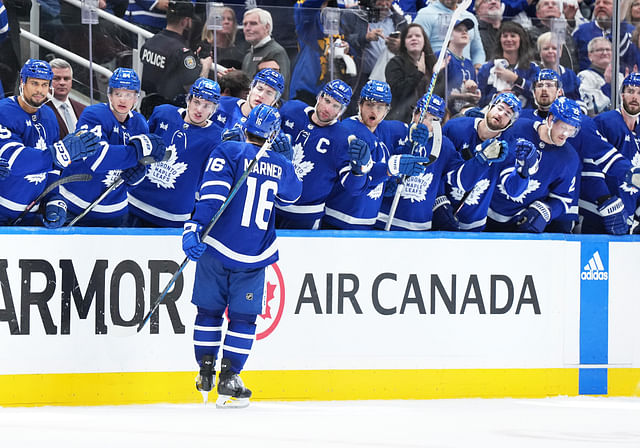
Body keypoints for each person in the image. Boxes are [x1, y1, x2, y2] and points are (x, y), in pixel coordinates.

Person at [183, 104, 302, 408]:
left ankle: (205, 372)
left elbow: (212, 195)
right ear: (274, 135)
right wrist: (286, 162)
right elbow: (293, 195)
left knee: (208, 312)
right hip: (253, 255)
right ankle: (230, 376)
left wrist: (193, 227)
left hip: (216, 247)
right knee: (244, 319)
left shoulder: (228, 151)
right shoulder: (278, 162)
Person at [60, 68, 167, 226]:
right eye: (118, 94)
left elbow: (141, 165)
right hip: (74, 205)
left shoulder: (140, 123)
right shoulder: (93, 115)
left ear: (136, 98)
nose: (123, 100)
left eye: (129, 95)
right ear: (109, 95)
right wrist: (136, 150)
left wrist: (138, 176)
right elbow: (96, 159)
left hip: (115, 211)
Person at [0, 59, 101, 226]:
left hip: (30, 216)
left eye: (45, 85)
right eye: (34, 83)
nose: (40, 90)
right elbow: (13, 160)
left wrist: (53, 198)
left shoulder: (48, 116)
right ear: (22, 82)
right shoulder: (4, 111)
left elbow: (53, 170)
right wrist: (59, 152)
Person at [323, 80, 429, 229]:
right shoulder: (348, 130)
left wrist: (412, 141)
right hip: (337, 220)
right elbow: (359, 176)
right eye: (369, 105)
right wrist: (391, 168)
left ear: (387, 110)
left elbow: (395, 155)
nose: (374, 111)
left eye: (380, 107)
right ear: (360, 105)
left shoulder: (385, 130)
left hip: (368, 223)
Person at [127, 78, 223, 227]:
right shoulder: (162, 113)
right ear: (188, 100)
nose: (199, 110)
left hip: (174, 216)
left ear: (213, 109)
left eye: (206, 106)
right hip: (134, 201)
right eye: (196, 102)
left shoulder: (216, 138)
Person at [276, 79, 369, 229]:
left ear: (341, 111)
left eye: (335, 106)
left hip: (305, 216)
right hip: (271, 203)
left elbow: (354, 188)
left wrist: (359, 170)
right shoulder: (291, 110)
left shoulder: (343, 139)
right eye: (327, 100)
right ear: (319, 97)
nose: (328, 108)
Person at [485, 97, 582, 233]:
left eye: (572, 130)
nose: (566, 134)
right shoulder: (516, 128)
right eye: (563, 127)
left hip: (520, 223)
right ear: (550, 119)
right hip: (484, 214)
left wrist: (546, 211)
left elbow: (563, 198)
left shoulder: (570, 158)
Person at [442, 92, 522, 231]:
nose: (501, 114)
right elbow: (437, 168)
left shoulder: (507, 148)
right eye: (500, 108)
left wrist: (524, 171)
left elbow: (513, 190)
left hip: (474, 223)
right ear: (490, 107)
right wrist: (439, 203)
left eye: (508, 114)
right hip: (440, 212)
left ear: (510, 124)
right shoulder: (455, 127)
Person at [584, 72, 640, 234]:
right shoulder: (605, 122)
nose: (634, 97)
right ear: (622, 94)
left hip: (628, 213)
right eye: (630, 91)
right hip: (599, 210)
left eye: (639, 92)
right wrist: (605, 200)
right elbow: (589, 161)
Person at [140, 1, 211, 116]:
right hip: (171, 113)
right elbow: (193, 90)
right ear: (185, 21)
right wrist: (206, 66)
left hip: (148, 107)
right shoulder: (182, 52)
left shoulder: (150, 42)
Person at [477, 21, 540, 108]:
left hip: (524, 116)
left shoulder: (532, 67)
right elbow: (479, 99)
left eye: (513, 36)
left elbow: (539, 94)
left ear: (521, 39)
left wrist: (517, 80)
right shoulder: (487, 68)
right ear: (500, 40)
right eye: (505, 36)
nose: (509, 39)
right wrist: (497, 96)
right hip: (493, 115)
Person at [385, 23, 437, 122]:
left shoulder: (431, 63)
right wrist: (419, 74)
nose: (414, 38)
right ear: (404, 42)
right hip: (402, 119)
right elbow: (398, 91)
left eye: (418, 36)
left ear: (424, 40)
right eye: (409, 36)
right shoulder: (395, 63)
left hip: (428, 118)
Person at [414, 0, 485, 70]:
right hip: (438, 74)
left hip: (466, 74)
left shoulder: (470, 17)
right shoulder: (425, 14)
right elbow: (417, 48)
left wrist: (477, 70)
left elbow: (477, 50)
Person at [572, 0, 637, 72]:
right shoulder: (581, 31)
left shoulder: (632, 32)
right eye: (597, 3)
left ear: (618, 7)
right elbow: (573, 62)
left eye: (606, 3)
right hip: (588, 80)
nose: (601, 5)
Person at [434, 18, 481, 117]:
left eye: (466, 30)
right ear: (449, 36)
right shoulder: (442, 56)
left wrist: (475, 93)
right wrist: (464, 96)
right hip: (445, 115)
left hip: (466, 114)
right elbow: (438, 90)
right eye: (459, 30)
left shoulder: (469, 63)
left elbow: (475, 92)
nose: (464, 32)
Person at [241, 8, 291, 99]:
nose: (247, 28)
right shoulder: (248, 55)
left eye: (253, 23)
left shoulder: (276, 52)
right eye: (245, 24)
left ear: (267, 27)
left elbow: (278, 89)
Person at [212, 68, 284, 131]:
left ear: (275, 101)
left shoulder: (271, 130)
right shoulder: (220, 105)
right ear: (251, 88)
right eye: (259, 89)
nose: (261, 95)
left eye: (269, 93)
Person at [528, 0, 579, 72]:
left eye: (554, 4)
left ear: (559, 13)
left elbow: (573, 59)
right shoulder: (530, 33)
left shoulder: (566, 33)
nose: (550, 6)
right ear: (538, 14)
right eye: (545, 4)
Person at [578, 37, 624, 116]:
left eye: (608, 49)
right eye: (600, 50)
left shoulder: (620, 76)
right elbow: (593, 107)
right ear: (590, 55)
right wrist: (608, 85)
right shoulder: (584, 76)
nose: (605, 53)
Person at [44, 58, 85, 138]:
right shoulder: (39, 109)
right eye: (56, 78)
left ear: (71, 82)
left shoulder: (82, 109)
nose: (62, 83)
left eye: (66, 79)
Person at [536, 32, 581, 101]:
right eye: (546, 48)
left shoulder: (570, 75)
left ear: (560, 51)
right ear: (540, 53)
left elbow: (578, 98)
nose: (550, 51)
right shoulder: (533, 73)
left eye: (554, 48)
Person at [197, 6, 244, 71]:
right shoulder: (202, 49)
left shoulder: (238, 52)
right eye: (222, 19)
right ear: (212, 22)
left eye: (229, 19)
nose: (226, 22)